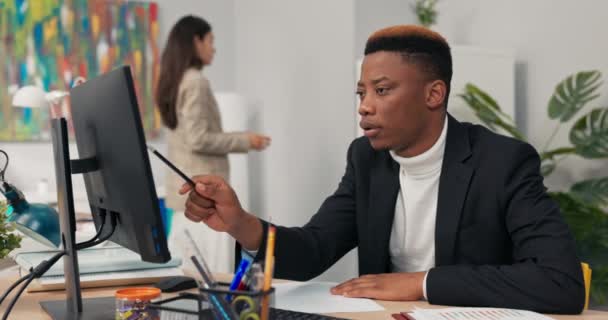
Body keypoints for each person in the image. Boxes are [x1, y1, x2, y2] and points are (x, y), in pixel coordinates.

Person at [179, 25, 585, 314]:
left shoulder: (502, 162)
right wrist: (240, 223)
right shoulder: (366, 158)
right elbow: (313, 250)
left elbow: (559, 282)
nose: (364, 105)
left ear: (434, 93)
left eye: (382, 90)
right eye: (361, 92)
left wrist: (420, 281)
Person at [155, 15, 270, 273]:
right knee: (213, 273)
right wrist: (245, 140)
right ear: (196, 41)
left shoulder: (175, 81)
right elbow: (199, 138)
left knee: (187, 269)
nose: (214, 48)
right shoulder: (196, 82)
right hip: (203, 193)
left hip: (183, 195)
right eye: (211, 41)